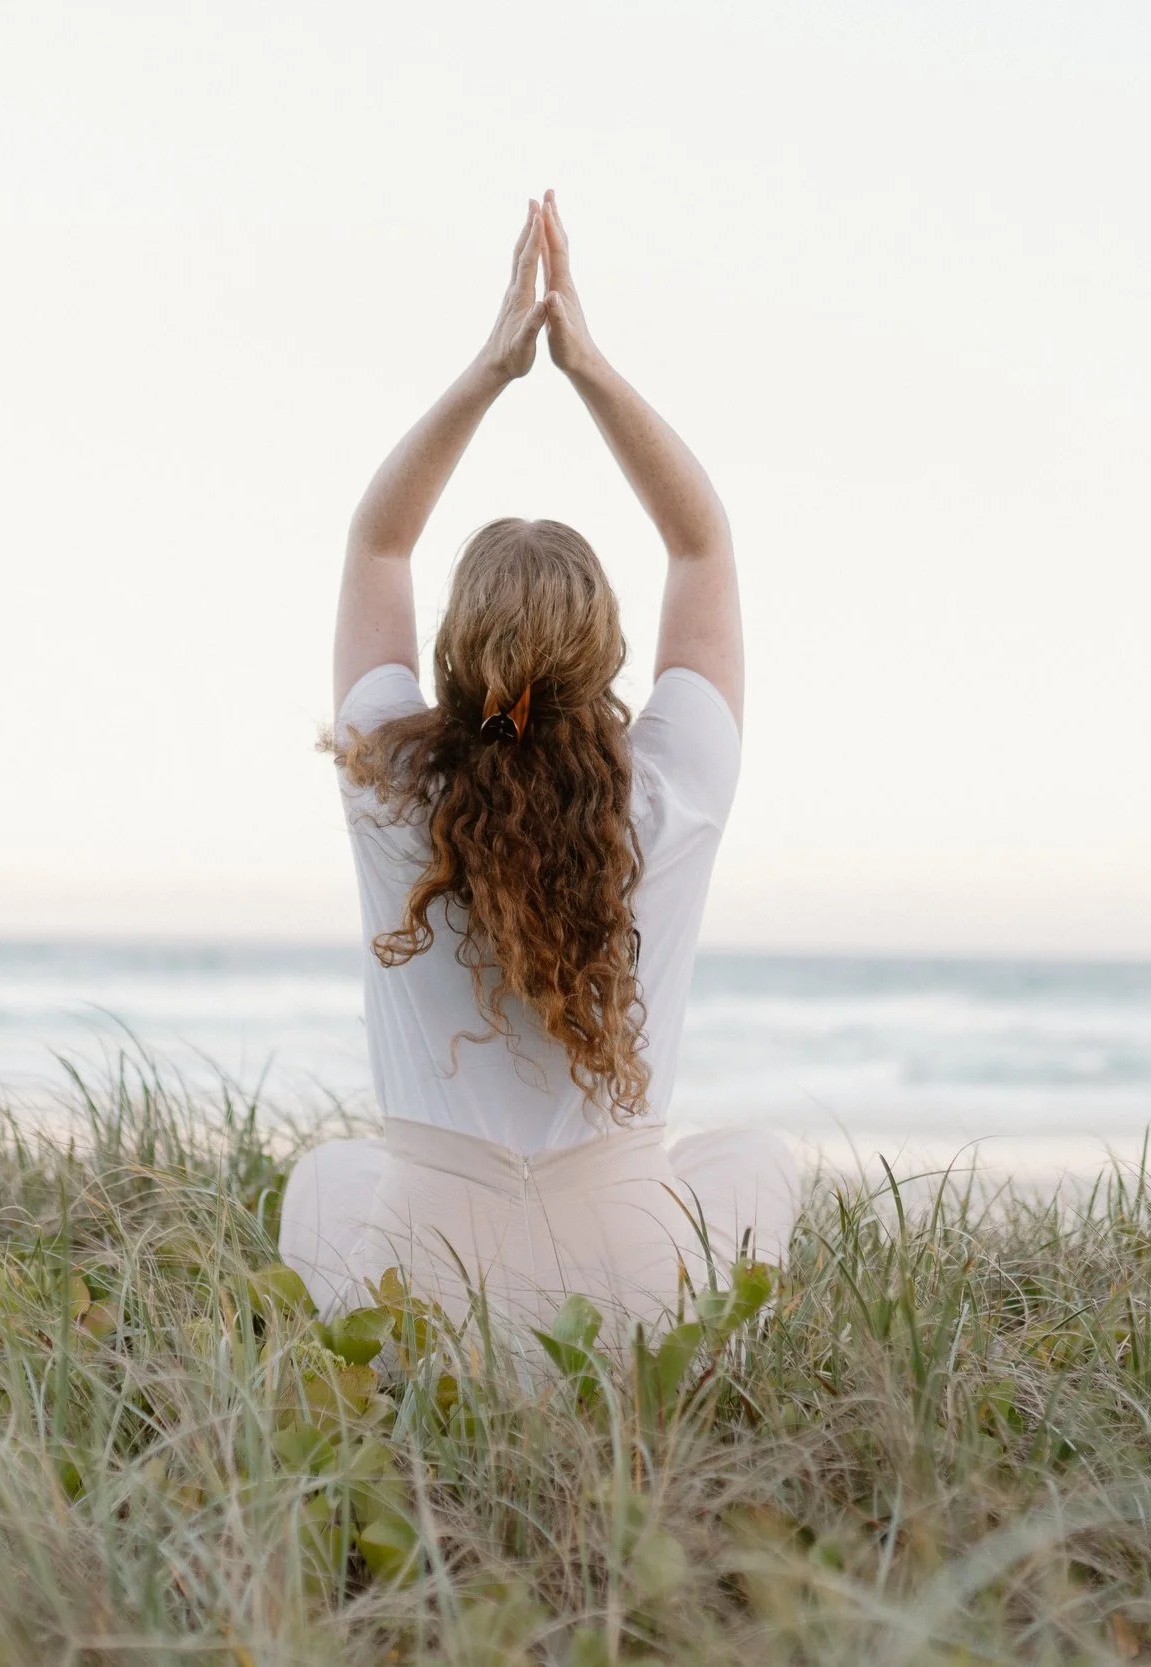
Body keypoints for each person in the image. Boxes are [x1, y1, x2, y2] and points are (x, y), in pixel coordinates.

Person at [278, 192, 798, 1339]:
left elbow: (378, 541)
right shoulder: (672, 784)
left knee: (327, 1177)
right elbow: (701, 542)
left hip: (425, 1300)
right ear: (606, 650)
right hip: (625, 1304)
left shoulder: (386, 779)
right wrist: (588, 364)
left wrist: (491, 366)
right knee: (752, 1161)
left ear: (453, 644)